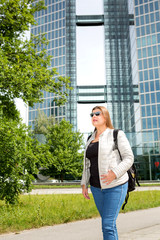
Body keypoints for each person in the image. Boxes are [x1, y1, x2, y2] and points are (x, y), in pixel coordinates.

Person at [81, 106, 134, 240]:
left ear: (105, 117)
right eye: (92, 114)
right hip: (96, 188)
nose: (94, 116)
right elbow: (87, 164)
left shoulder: (116, 134)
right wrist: (84, 183)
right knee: (109, 224)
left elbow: (129, 158)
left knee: (107, 224)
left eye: (97, 113)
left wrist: (114, 173)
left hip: (116, 185)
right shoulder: (90, 139)